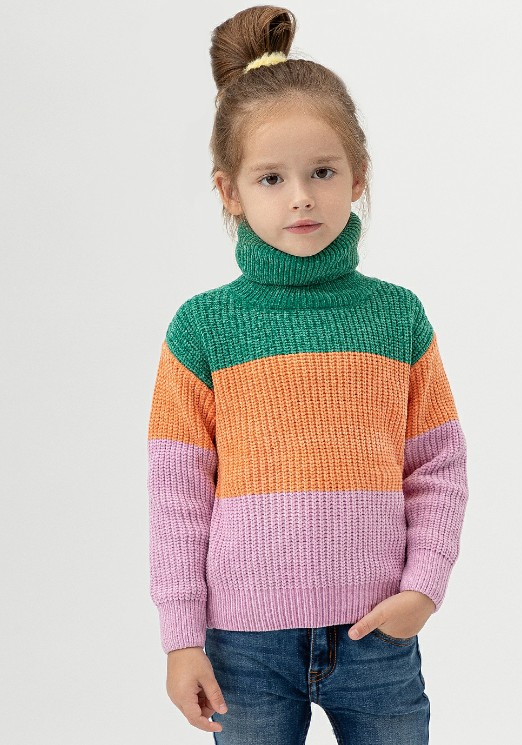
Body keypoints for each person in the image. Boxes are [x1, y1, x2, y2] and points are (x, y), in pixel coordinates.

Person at [147, 5, 469, 743]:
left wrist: (424, 585)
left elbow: (437, 464)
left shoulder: (396, 317)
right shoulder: (202, 328)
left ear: (357, 178)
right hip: (242, 646)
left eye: (322, 171)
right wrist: (180, 637)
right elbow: (176, 492)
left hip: (376, 633)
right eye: (271, 177)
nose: (300, 196)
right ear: (229, 191)